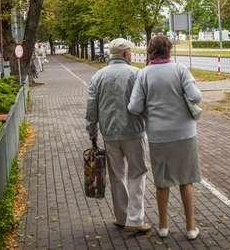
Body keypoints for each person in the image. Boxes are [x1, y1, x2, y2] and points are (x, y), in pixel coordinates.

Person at [128, 34, 202, 240]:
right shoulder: (180, 69)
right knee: (185, 180)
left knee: (162, 182)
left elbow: (134, 107)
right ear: (169, 50)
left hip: (158, 135)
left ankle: (163, 227)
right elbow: (196, 97)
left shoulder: (143, 74)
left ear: (150, 51)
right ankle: (190, 228)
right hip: (185, 133)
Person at [85, 38, 151, 233]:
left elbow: (91, 107)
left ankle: (121, 217)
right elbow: (144, 103)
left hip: (109, 133)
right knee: (137, 174)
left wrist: (92, 132)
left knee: (117, 175)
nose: (131, 54)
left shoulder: (98, 76)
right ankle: (135, 220)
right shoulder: (136, 74)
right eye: (130, 51)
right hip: (134, 131)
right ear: (124, 53)